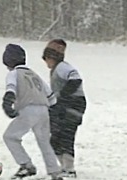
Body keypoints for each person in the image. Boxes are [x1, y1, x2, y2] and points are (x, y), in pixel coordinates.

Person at [2, 44, 63, 180]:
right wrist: (54, 114)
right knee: (44, 142)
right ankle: (55, 172)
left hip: (28, 110)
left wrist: (7, 105)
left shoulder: (13, 74)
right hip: (44, 110)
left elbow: (10, 90)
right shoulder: (34, 74)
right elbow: (51, 98)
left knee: (10, 137)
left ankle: (26, 165)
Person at [42, 39, 87, 177]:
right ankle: (64, 166)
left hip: (73, 105)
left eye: (47, 59)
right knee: (55, 137)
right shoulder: (57, 69)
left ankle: (69, 169)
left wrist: (62, 97)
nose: (46, 63)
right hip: (63, 106)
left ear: (53, 57)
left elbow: (76, 80)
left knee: (65, 136)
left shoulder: (63, 67)